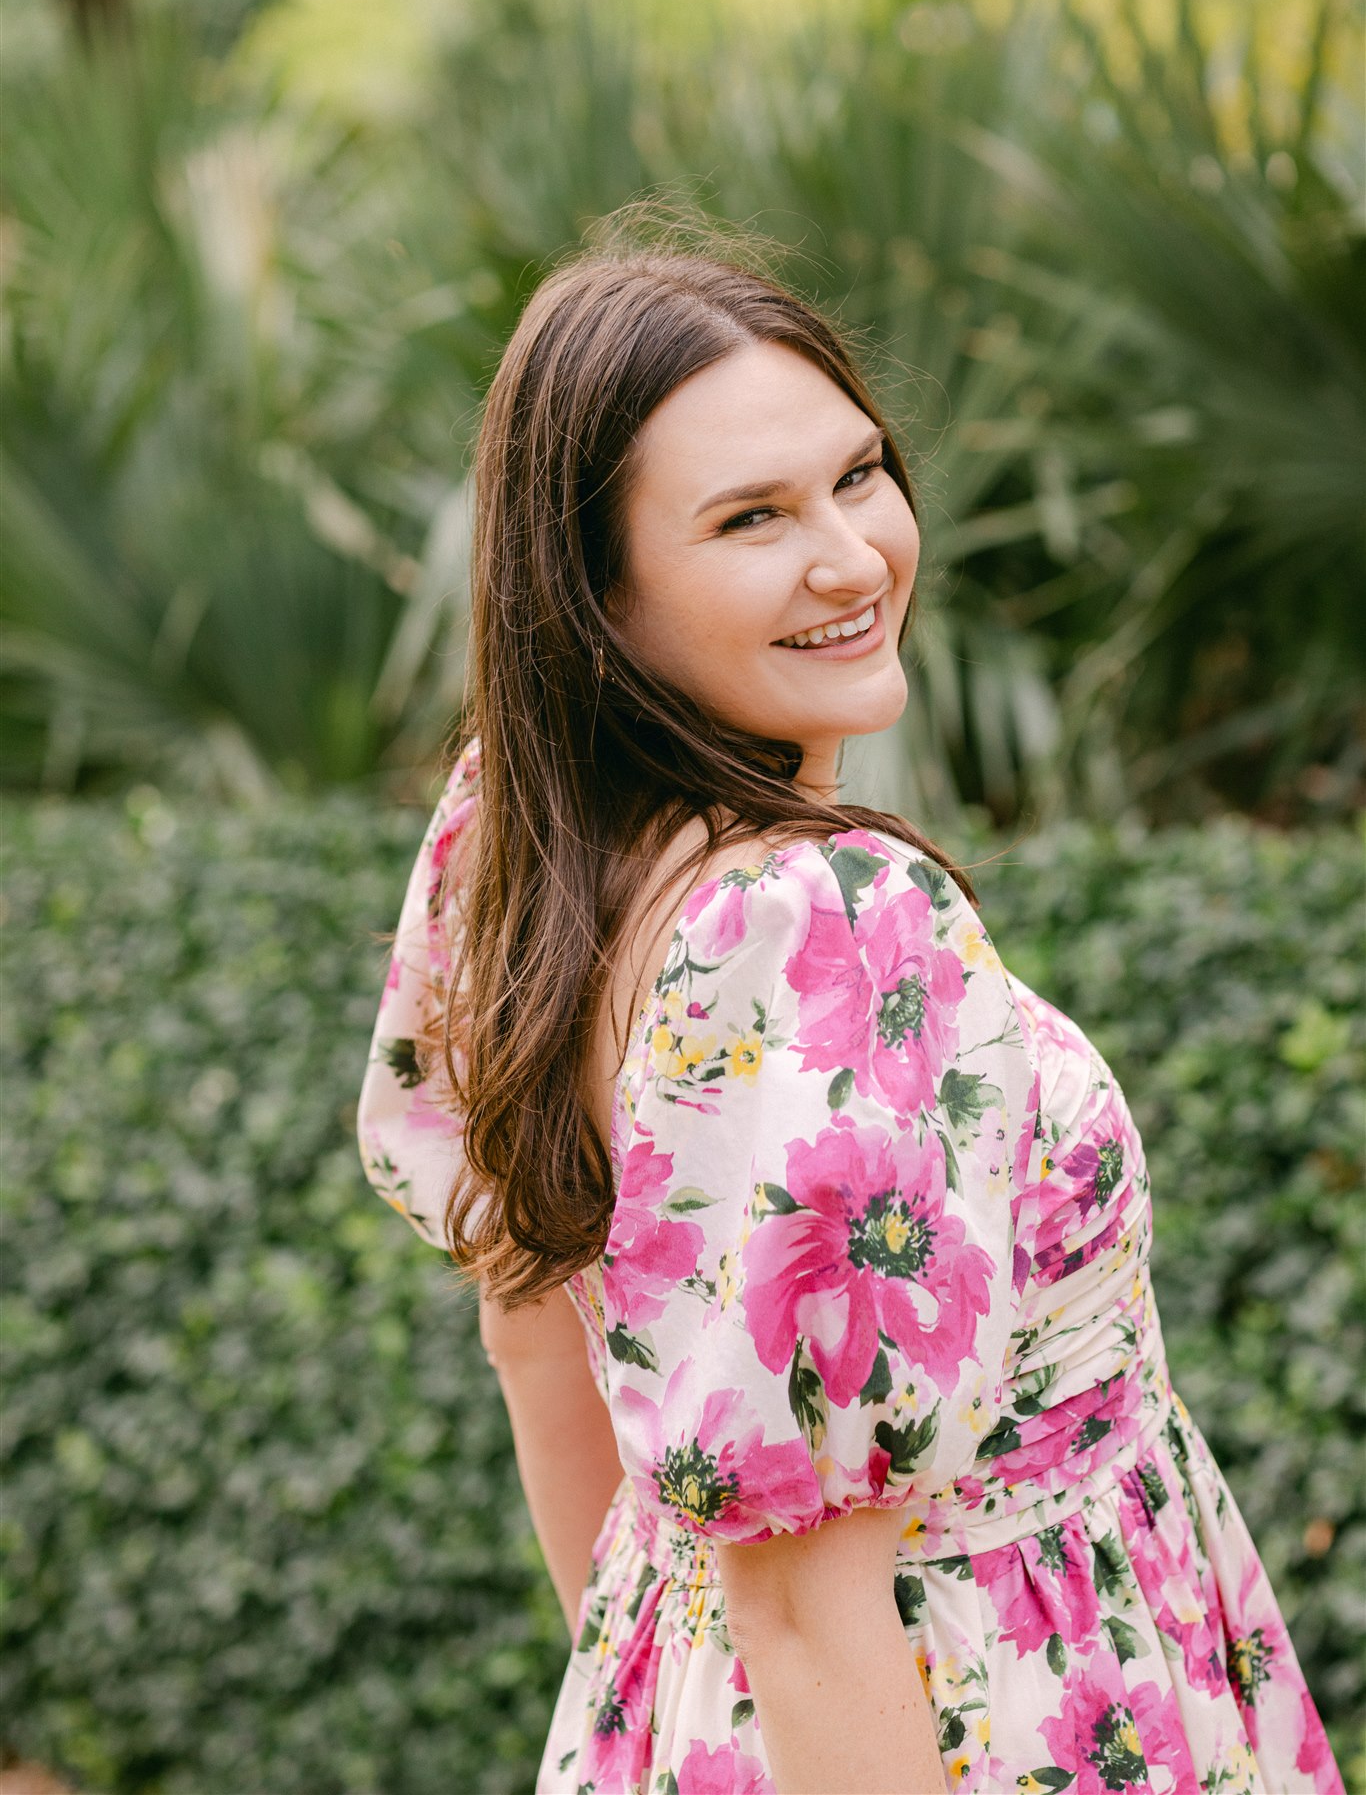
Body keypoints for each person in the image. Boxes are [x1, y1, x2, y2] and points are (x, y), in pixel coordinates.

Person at [356, 227, 1343, 1795]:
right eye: (752, 517)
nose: (852, 557)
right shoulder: (832, 928)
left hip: (690, 1706)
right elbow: (811, 1604)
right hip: (982, 1712)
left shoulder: (526, 824)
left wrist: (657, 1696)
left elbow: (527, 1320)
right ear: (596, 592)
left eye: (858, 474)